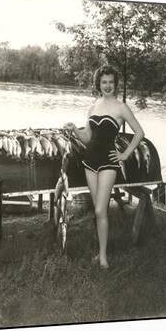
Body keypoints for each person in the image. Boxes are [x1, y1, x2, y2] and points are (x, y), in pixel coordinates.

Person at [64, 65, 145, 269]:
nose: (107, 85)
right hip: (90, 162)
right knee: (97, 210)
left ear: (115, 84)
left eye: (111, 82)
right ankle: (100, 253)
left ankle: (103, 258)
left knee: (101, 210)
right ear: (98, 84)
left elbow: (139, 133)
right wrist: (74, 129)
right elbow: (87, 137)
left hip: (109, 163)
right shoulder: (93, 107)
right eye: (104, 82)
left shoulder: (121, 108)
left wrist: (124, 154)